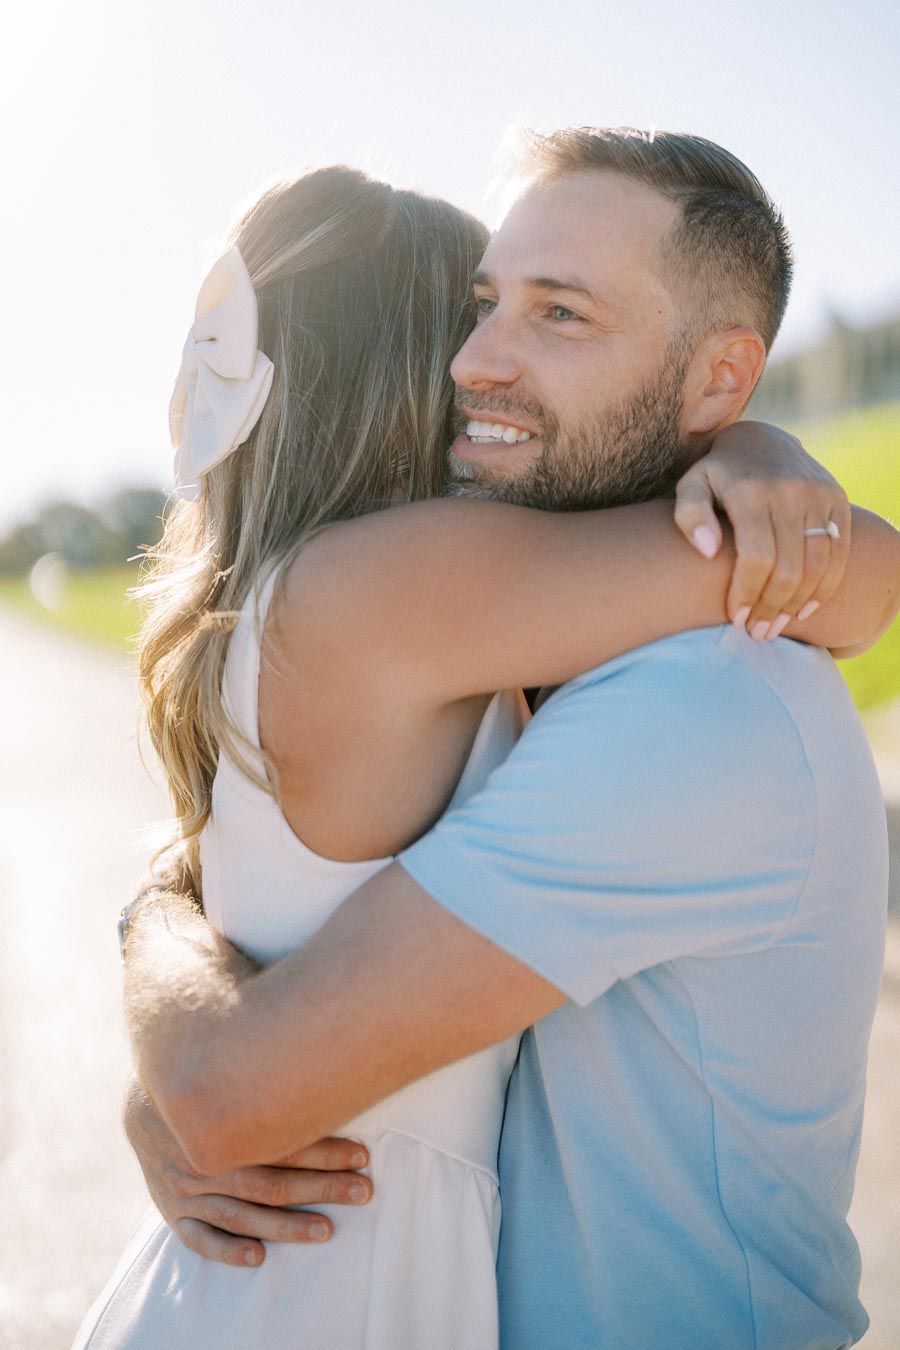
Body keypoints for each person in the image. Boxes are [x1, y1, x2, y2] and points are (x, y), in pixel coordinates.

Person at [78, 131, 898, 1349]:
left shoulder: (655, 690)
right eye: (475, 310)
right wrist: (762, 463)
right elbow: (859, 576)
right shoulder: (435, 608)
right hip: (332, 1271)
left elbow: (224, 1076)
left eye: (556, 313)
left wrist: (754, 450)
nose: (480, 360)